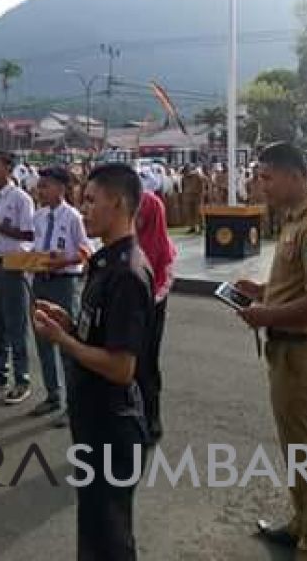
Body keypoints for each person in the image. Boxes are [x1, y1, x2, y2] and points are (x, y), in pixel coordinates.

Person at [33, 163, 155, 561]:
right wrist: (69, 323)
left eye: (90, 200)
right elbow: (100, 333)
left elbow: (122, 367)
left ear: (118, 203)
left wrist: (62, 340)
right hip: (94, 419)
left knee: (110, 538)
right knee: (95, 529)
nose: (83, 209)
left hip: (112, 424)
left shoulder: (127, 273)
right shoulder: (105, 261)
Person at [235, 143, 307, 560]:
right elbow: (301, 285)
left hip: (302, 350)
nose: (261, 186)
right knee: (295, 446)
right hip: (287, 348)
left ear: (295, 176)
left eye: (267, 177)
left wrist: (266, 318)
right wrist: (264, 293)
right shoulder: (294, 221)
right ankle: (303, 523)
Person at [30, 166, 92, 425]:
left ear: (61, 188)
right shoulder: (40, 216)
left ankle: (74, 403)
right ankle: (53, 394)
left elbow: (86, 251)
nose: (40, 190)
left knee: (67, 343)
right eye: (40, 185)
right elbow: (35, 245)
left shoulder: (73, 217)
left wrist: (63, 261)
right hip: (40, 280)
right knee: (43, 339)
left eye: (46, 186)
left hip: (64, 282)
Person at [0, 151, 36, 404]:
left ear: (9, 168)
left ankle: (22, 379)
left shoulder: (22, 199)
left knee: (16, 324)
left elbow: (28, 235)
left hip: (13, 265)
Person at [136, 189, 175, 443]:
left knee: (146, 366)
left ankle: (152, 420)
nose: (136, 218)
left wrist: (147, 300)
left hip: (149, 311)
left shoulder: (162, 246)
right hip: (129, 311)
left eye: (140, 213)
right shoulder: (128, 241)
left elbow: (164, 281)